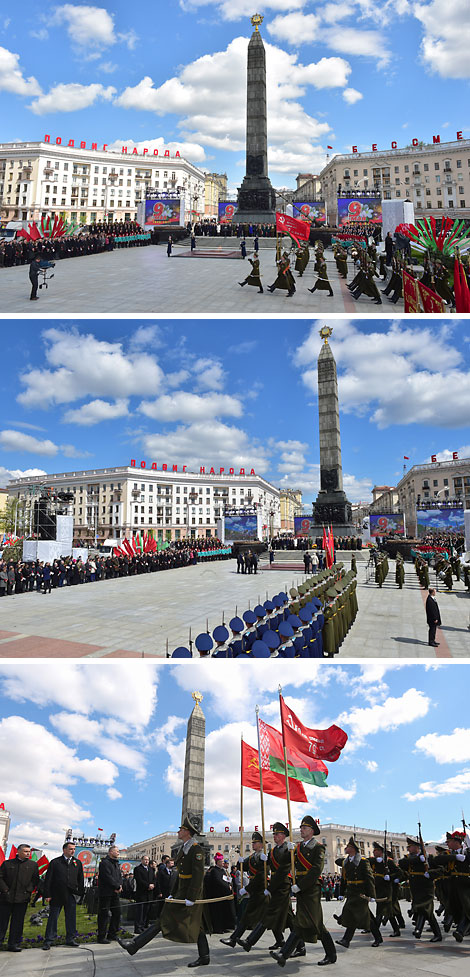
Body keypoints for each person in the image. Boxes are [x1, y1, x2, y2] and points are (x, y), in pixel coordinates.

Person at [119, 815, 210, 967]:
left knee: (165, 919)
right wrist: (173, 892)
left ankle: (134, 945)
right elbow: (180, 874)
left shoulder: (196, 849)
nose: (179, 831)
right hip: (181, 891)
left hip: (190, 893)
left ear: (187, 832)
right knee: (196, 923)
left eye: (181, 829)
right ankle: (205, 955)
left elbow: (198, 874)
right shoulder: (184, 848)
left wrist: (192, 896)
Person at [270, 816, 337, 967]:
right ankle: (330, 954)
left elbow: (315, 870)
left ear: (312, 831)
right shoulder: (297, 847)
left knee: (308, 921)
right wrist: (289, 850)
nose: (301, 830)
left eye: (305, 828)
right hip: (299, 887)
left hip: (311, 888)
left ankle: (284, 953)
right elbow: (284, 863)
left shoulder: (318, 847)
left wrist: (301, 886)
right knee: (310, 922)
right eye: (301, 827)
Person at [334, 836, 383, 950]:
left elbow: (369, 878)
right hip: (351, 892)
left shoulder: (362, 861)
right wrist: (341, 892)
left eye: (348, 847)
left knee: (359, 916)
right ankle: (376, 937)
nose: (346, 848)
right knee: (358, 916)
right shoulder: (346, 861)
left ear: (353, 849)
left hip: (361, 892)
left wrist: (371, 895)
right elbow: (344, 879)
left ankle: (347, 940)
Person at [42, 841, 85, 950]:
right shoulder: (55, 862)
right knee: (53, 918)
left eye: (74, 849)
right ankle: (49, 940)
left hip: (71, 895)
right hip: (57, 894)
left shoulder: (77, 863)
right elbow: (48, 879)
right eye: (71, 849)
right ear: (64, 850)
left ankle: (70, 939)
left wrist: (80, 893)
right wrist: (47, 894)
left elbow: (81, 880)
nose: (73, 851)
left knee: (71, 918)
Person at [398, 837, 442, 942]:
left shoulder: (429, 858)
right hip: (415, 888)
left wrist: (430, 874)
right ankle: (437, 934)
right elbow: (401, 863)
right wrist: (418, 859)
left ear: (417, 847)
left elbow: (441, 870)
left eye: (410, 847)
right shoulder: (409, 858)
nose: (408, 849)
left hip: (426, 887)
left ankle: (418, 929)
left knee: (424, 908)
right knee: (427, 912)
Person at [0, 843, 39, 951]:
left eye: (29, 851)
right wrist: (5, 889)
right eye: (25, 851)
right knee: (2, 921)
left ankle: (13, 944)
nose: (28, 853)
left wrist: (28, 890)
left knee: (17, 922)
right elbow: (0, 877)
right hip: (6, 898)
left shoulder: (32, 865)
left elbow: (35, 880)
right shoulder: (7, 864)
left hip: (22, 899)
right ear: (18, 852)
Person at [204, 853, 236, 933]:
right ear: (217, 862)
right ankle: (218, 928)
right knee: (217, 913)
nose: (223, 863)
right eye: (221, 861)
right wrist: (227, 887)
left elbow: (226, 879)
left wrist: (230, 885)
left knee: (224, 912)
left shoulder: (223, 871)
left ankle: (225, 926)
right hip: (217, 895)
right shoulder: (214, 871)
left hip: (224, 895)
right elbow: (218, 881)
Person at [97, 845, 122, 944]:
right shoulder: (104, 863)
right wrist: (116, 886)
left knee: (117, 913)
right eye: (116, 851)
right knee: (104, 914)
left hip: (115, 893)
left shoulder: (116, 864)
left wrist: (120, 885)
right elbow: (107, 877)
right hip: (106, 893)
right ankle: (101, 936)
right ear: (110, 852)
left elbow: (119, 876)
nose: (118, 853)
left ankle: (112, 934)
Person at [133, 855, 155, 933]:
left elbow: (154, 879)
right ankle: (137, 927)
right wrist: (147, 885)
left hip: (149, 893)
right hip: (141, 893)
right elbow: (139, 880)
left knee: (146, 911)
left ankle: (143, 926)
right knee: (140, 912)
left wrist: (152, 885)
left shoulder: (151, 869)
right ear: (142, 860)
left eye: (148, 860)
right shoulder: (137, 869)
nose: (146, 861)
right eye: (145, 860)